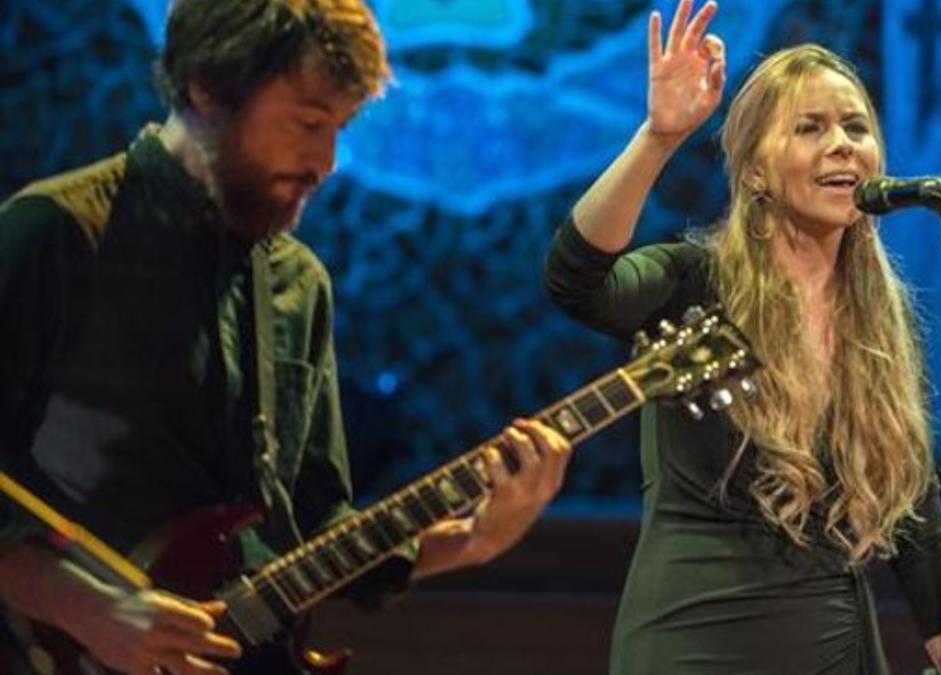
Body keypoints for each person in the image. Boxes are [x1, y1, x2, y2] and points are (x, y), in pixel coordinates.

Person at [0, 1, 572, 674]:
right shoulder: (54, 232)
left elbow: (312, 529)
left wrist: (473, 539)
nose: (327, 161)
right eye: (308, 121)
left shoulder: (300, 282)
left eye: (342, 126)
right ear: (207, 88)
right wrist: (86, 609)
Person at [544, 1, 941, 673]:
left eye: (856, 127)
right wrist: (659, 138)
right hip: (694, 640)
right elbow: (576, 280)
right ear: (754, 170)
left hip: (837, 644)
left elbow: (916, 516)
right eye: (810, 128)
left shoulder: (881, 319)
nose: (843, 144)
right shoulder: (691, 282)